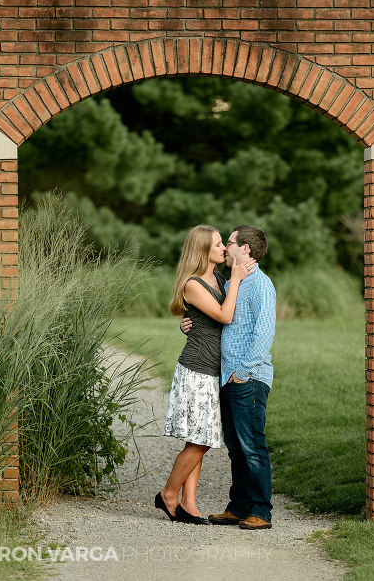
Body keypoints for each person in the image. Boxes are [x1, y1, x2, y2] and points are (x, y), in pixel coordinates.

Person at [155, 224, 255, 525]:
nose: (224, 248)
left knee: (199, 438)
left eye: (224, 242)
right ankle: (168, 494)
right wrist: (237, 279)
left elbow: (218, 316)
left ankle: (188, 504)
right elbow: (224, 315)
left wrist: (232, 279)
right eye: (217, 244)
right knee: (203, 440)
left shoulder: (219, 278)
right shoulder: (193, 283)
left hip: (214, 369)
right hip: (197, 369)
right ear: (202, 250)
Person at [181, 225, 276, 530]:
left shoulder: (260, 284)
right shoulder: (232, 282)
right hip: (227, 376)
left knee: (252, 446)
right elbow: (216, 316)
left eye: (230, 243)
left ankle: (261, 511)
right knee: (236, 447)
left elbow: (264, 334)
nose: (225, 248)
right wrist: (188, 323)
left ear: (245, 249)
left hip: (247, 376)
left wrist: (243, 373)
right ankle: (238, 507)